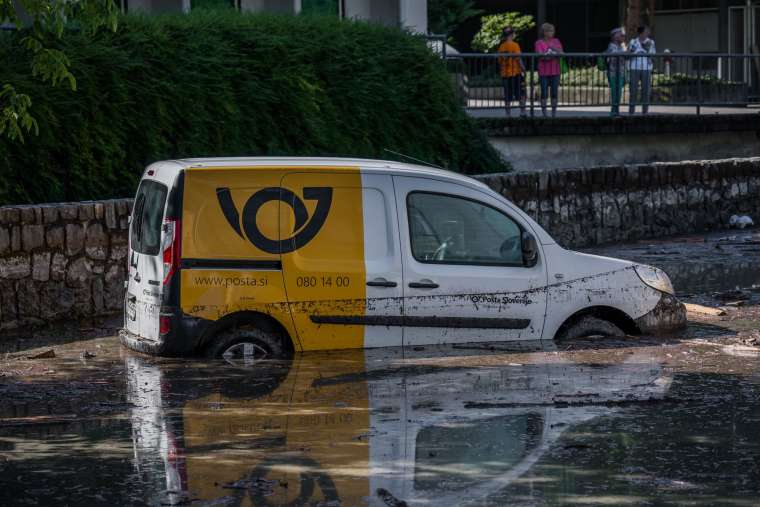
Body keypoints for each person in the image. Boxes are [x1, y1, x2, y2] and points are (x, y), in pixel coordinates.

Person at [534, 23, 563, 117]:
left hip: (555, 70)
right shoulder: (538, 43)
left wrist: (553, 49)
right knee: (544, 92)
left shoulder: (556, 41)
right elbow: (540, 56)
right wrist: (549, 55)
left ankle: (554, 114)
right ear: (544, 32)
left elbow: (562, 53)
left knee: (554, 92)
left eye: (552, 31)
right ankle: (544, 114)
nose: (552, 33)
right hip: (543, 71)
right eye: (550, 31)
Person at [497, 27, 526, 117]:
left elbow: (499, 60)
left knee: (507, 95)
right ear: (511, 34)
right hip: (515, 73)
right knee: (520, 93)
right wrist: (523, 69)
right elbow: (518, 58)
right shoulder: (515, 45)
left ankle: (508, 114)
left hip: (505, 74)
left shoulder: (501, 46)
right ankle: (522, 112)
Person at [628, 26, 655, 114]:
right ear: (641, 33)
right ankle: (631, 111)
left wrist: (645, 53)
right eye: (646, 31)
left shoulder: (651, 42)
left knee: (646, 90)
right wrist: (637, 52)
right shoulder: (633, 41)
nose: (647, 33)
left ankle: (645, 112)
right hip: (634, 67)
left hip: (646, 68)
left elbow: (653, 54)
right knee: (633, 90)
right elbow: (629, 52)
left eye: (648, 31)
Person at [605, 27, 627, 118]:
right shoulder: (611, 46)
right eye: (620, 35)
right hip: (613, 73)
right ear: (614, 36)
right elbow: (614, 57)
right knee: (615, 93)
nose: (622, 37)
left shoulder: (621, 46)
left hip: (621, 72)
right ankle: (613, 112)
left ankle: (616, 111)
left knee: (619, 93)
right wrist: (625, 53)